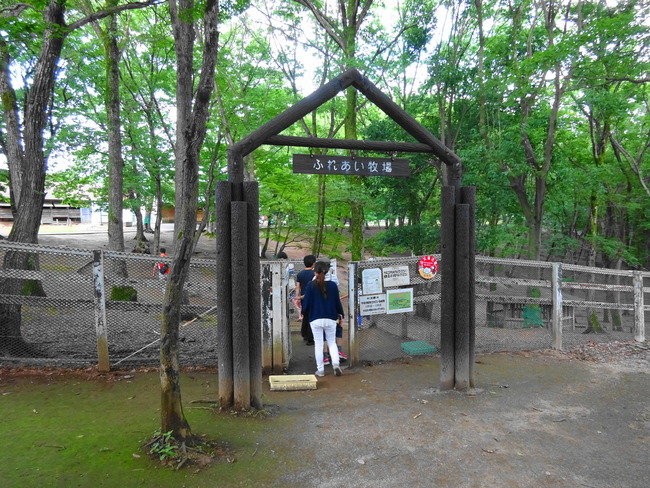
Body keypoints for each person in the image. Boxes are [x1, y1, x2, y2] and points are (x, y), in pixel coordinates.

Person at [300, 261, 344, 377]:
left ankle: (320, 370)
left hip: (315, 318)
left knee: (319, 344)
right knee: (331, 342)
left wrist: (303, 312)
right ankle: (336, 364)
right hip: (331, 318)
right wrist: (341, 314)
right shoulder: (333, 286)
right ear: (327, 271)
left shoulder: (310, 285)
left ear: (315, 271)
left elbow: (307, 302)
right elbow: (337, 302)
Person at [295, 254, 317, 345]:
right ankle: (310, 337)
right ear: (313, 263)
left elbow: (297, 286)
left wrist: (298, 297)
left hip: (304, 298)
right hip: (313, 297)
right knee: (312, 317)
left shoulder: (300, 273)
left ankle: (304, 334)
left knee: (305, 316)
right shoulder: (314, 274)